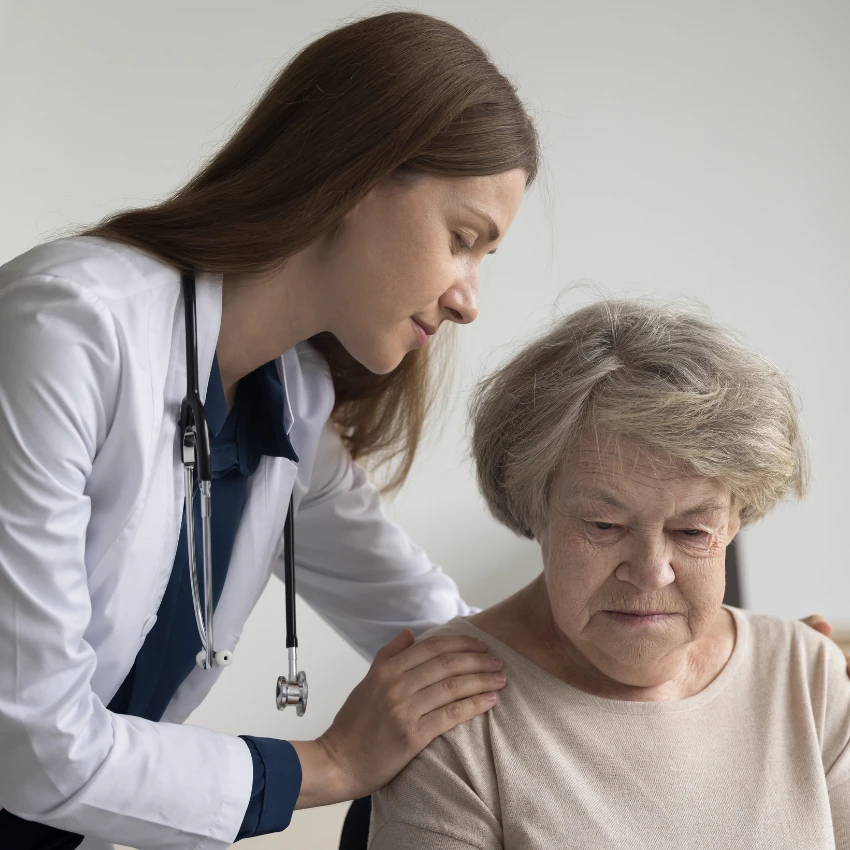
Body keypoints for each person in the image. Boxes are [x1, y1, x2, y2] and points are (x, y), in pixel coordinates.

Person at [0, 12, 535, 850]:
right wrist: (328, 764)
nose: (470, 298)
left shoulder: (291, 406)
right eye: (463, 240)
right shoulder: (70, 330)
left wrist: (730, 663)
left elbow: (444, 633)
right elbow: (29, 743)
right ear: (358, 175)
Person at [369, 298, 850, 849]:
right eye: (603, 525)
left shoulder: (807, 676)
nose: (650, 573)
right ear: (535, 510)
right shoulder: (444, 706)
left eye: (692, 532)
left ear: (736, 519)